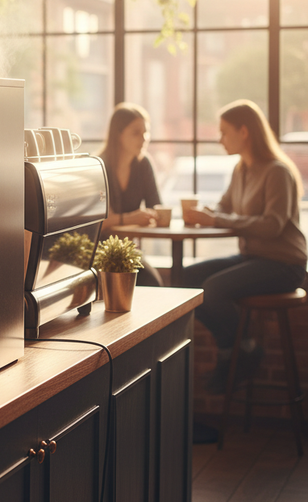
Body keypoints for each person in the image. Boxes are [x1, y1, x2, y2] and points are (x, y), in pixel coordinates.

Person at [181, 99, 307, 393]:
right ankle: (243, 347)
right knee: (186, 279)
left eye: (224, 132)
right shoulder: (241, 169)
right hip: (253, 256)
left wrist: (216, 219)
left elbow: (272, 225)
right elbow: (225, 209)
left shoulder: (277, 171)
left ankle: (235, 353)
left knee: (214, 289)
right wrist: (205, 215)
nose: (220, 138)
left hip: (284, 264)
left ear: (244, 131)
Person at [98, 102, 163, 286]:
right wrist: (132, 218)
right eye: (136, 133)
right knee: (150, 282)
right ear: (118, 135)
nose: (143, 139)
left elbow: (156, 207)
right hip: (97, 250)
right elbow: (99, 222)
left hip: (127, 250)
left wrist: (153, 215)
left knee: (153, 283)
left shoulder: (143, 165)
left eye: (146, 132)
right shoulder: (99, 166)